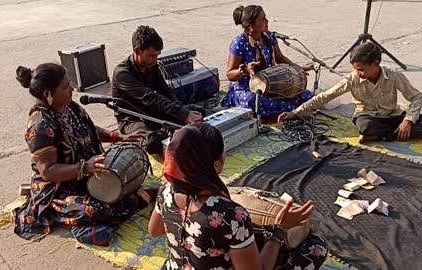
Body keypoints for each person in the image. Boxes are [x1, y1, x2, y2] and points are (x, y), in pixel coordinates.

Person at [148, 122, 328, 270]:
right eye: (223, 150)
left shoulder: (167, 190)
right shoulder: (230, 215)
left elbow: (154, 230)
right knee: (316, 247)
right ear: (217, 165)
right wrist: (279, 231)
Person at [13, 63, 157, 246]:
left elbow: (87, 129)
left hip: (87, 173)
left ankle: (131, 200)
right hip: (60, 189)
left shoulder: (69, 106)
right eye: (65, 87)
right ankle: (77, 223)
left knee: (120, 183)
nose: (72, 88)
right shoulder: (40, 126)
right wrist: (84, 167)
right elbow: (49, 171)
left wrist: (118, 137)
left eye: (69, 83)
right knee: (97, 208)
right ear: (48, 94)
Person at [278, 42, 422, 144]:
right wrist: (295, 113)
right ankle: (383, 134)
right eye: (356, 69)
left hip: (393, 116)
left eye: (361, 69)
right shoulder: (352, 79)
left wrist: (407, 120)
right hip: (368, 118)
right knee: (366, 127)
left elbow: (417, 97)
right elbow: (326, 96)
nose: (358, 73)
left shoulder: (393, 75)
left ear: (376, 64)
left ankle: (383, 135)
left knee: (414, 122)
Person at [112, 25, 205, 155]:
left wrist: (183, 111)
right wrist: (183, 115)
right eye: (151, 56)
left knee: (197, 112)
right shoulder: (122, 73)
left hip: (152, 112)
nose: (155, 60)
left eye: (157, 56)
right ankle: (167, 132)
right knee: (152, 143)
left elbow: (164, 90)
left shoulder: (151, 64)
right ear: (138, 51)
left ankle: (168, 131)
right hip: (133, 119)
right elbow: (150, 97)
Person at [222, 5, 313, 123]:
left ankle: (278, 113)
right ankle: (280, 113)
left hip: (270, 86)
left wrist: (299, 68)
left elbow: (280, 58)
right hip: (247, 89)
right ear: (250, 27)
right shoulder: (239, 42)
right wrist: (244, 69)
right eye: (263, 19)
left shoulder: (269, 37)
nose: (267, 21)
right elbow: (230, 74)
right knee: (252, 101)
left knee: (306, 95)